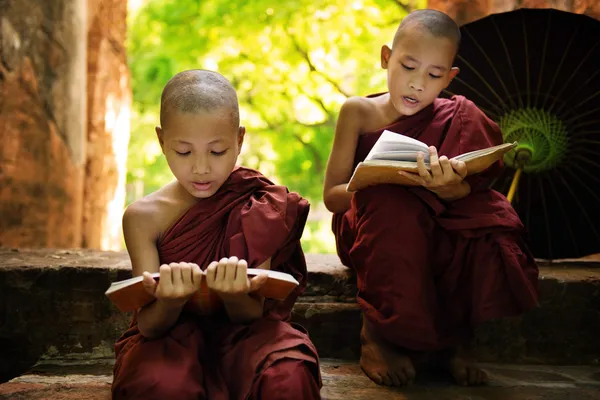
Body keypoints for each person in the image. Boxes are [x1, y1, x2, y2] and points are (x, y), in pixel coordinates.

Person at [323, 9, 539, 387]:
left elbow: (469, 190)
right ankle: (377, 335)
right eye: (408, 66)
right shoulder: (359, 112)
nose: (417, 84)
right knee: (392, 203)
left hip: (434, 218)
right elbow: (332, 198)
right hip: (370, 222)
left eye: (434, 75)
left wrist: (448, 187)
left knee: (488, 213)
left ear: (449, 77)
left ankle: (454, 342)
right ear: (386, 58)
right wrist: (373, 181)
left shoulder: (460, 116)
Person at [112, 69, 322, 400]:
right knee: (159, 385)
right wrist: (171, 299)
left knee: (287, 376)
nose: (201, 168)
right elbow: (150, 326)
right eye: (183, 152)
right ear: (161, 140)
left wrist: (235, 294)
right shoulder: (143, 218)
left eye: (217, 151)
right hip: (170, 336)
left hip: (247, 334)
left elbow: (252, 313)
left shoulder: (259, 203)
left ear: (239, 139)